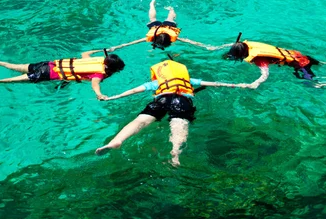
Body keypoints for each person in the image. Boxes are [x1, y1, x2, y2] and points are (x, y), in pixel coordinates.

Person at [96, 58, 237, 166]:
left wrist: (113, 97)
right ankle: (175, 154)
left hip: (162, 100)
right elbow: (212, 83)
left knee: (140, 121)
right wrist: (236, 85)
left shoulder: (157, 83)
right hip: (182, 101)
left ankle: (116, 141)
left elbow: (133, 91)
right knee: (178, 127)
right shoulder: (187, 79)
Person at [0, 50, 125, 99]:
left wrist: (110, 49)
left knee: (9, 65)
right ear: (113, 68)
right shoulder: (99, 74)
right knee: (0, 81)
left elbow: (85, 53)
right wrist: (100, 94)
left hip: (46, 64)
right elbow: (95, 84)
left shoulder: (97, 61)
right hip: (45, 75)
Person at [221, 34, 326, 89]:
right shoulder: (246, 45)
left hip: (300, 65)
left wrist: (255, 83)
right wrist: (207, 47)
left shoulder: (259, 59)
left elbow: (264, 74)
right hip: (299, 55)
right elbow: (231, 46)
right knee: (323, 63)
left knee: (314, 85)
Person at [100, 0, 214, 53]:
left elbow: (132, 42)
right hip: (165, 28)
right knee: (167, 18)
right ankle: (171, 9)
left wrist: (118, 46)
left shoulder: (151, 37)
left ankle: (152, 5)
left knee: (159, 19)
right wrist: (205, 46)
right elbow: (189, 41)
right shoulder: (171, 37)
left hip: (163, 28)